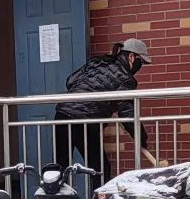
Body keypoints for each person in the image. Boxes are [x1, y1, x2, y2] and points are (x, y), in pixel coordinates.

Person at [54, 38, 153, 183]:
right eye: (141, 62)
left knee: (60, 166)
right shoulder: (126, 79)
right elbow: (128, 115)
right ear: (132, 57)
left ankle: (54, 196)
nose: (140, 66)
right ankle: (99, 198)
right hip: (86, 122)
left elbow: (70, 81)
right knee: (100, 169)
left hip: (62, 114)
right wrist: (141, 139)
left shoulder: (97, 62)